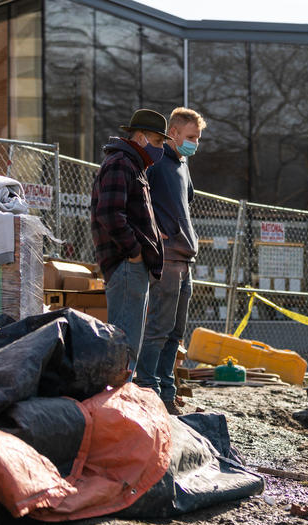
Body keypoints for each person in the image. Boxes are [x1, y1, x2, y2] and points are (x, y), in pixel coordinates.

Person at [135, 108, 206, 415]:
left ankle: (166, 392)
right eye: (190, 137)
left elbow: (184, 200)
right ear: (173, 133)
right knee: (159, 328)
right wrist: (154, 230)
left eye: (198, 138)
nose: (195, 143)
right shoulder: (157, 159)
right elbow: (137, 195)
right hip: (167, 259)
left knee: (175, 331)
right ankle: (149, 391)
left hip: (184, 257)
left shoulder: (181, 164)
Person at [90, 109, 168, 377]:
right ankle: (116, 404)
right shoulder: (122, 163)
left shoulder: (131, 164)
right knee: (123, 347)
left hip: (130, 266)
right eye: (158, 142)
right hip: (126, 265)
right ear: (140, 137)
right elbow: (110, 214)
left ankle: (119, 400)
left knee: (126, 346)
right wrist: (134, 252)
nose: (160, 149)